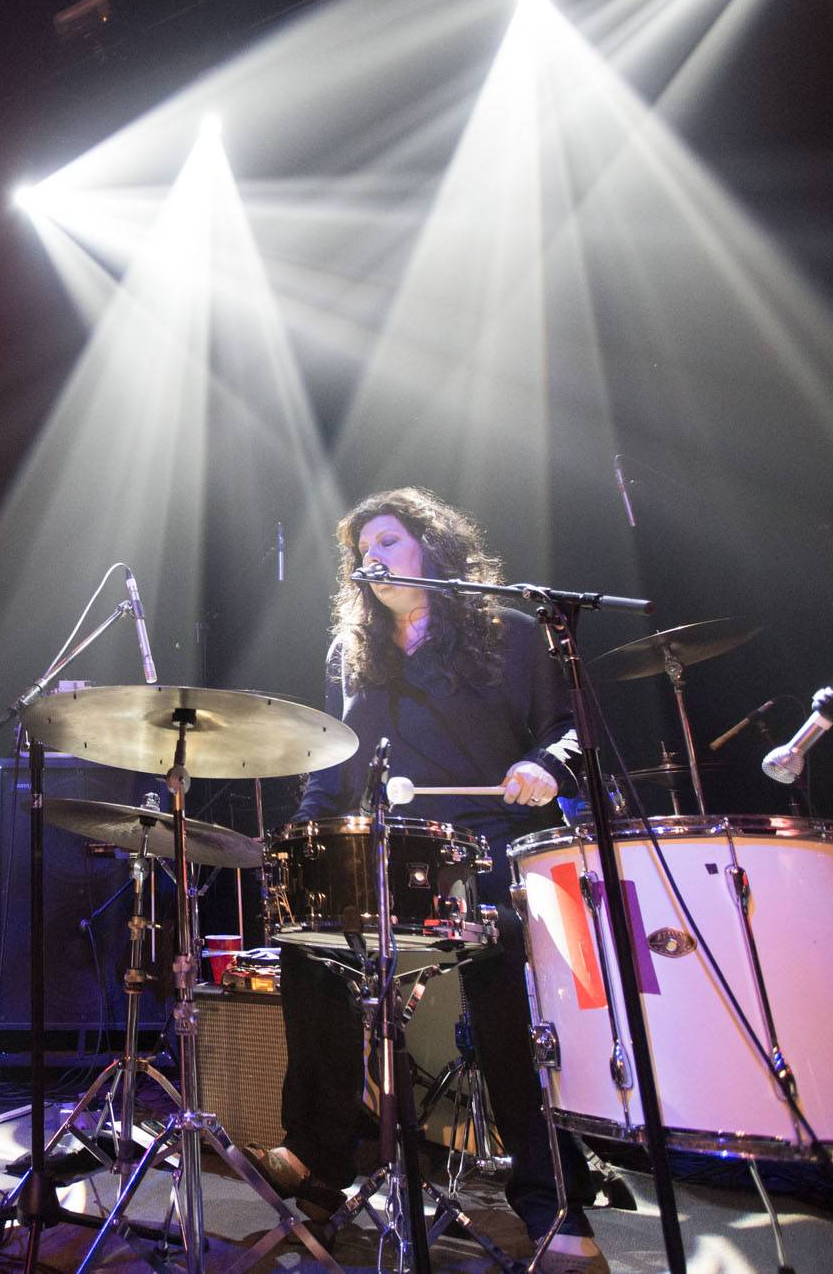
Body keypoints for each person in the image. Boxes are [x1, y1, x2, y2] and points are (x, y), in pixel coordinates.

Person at [249, 487, 605, 1271]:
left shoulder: (509, 636)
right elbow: (333, 770)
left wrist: (544, 765)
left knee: (503, 959)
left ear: (431, 547)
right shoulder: (356, 657)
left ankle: (550, 1195)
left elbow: (572, 732)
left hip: (488, 849)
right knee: (310, 947)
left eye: (388, 540)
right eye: (361, 552)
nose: (372, 559)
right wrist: (299, 837)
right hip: (387, 856)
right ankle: (320, 1161)